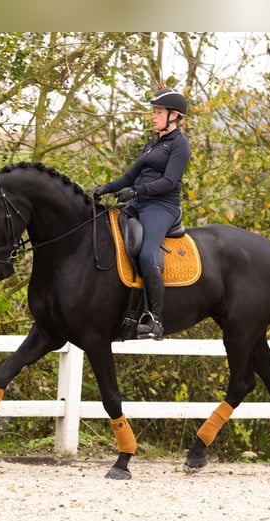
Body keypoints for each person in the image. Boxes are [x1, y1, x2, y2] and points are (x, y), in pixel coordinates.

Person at [94, 87, 191, 340]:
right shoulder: (153, 143)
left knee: (147, 253)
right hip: (139, 202)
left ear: (174, 116)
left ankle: (155, 320)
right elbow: (129, 176)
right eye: (154, 112)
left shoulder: (180, 145)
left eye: (158, 112)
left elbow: (170, 181)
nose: (154, 116)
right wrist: (107, 188)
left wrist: (136, 191)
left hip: (162, 206)